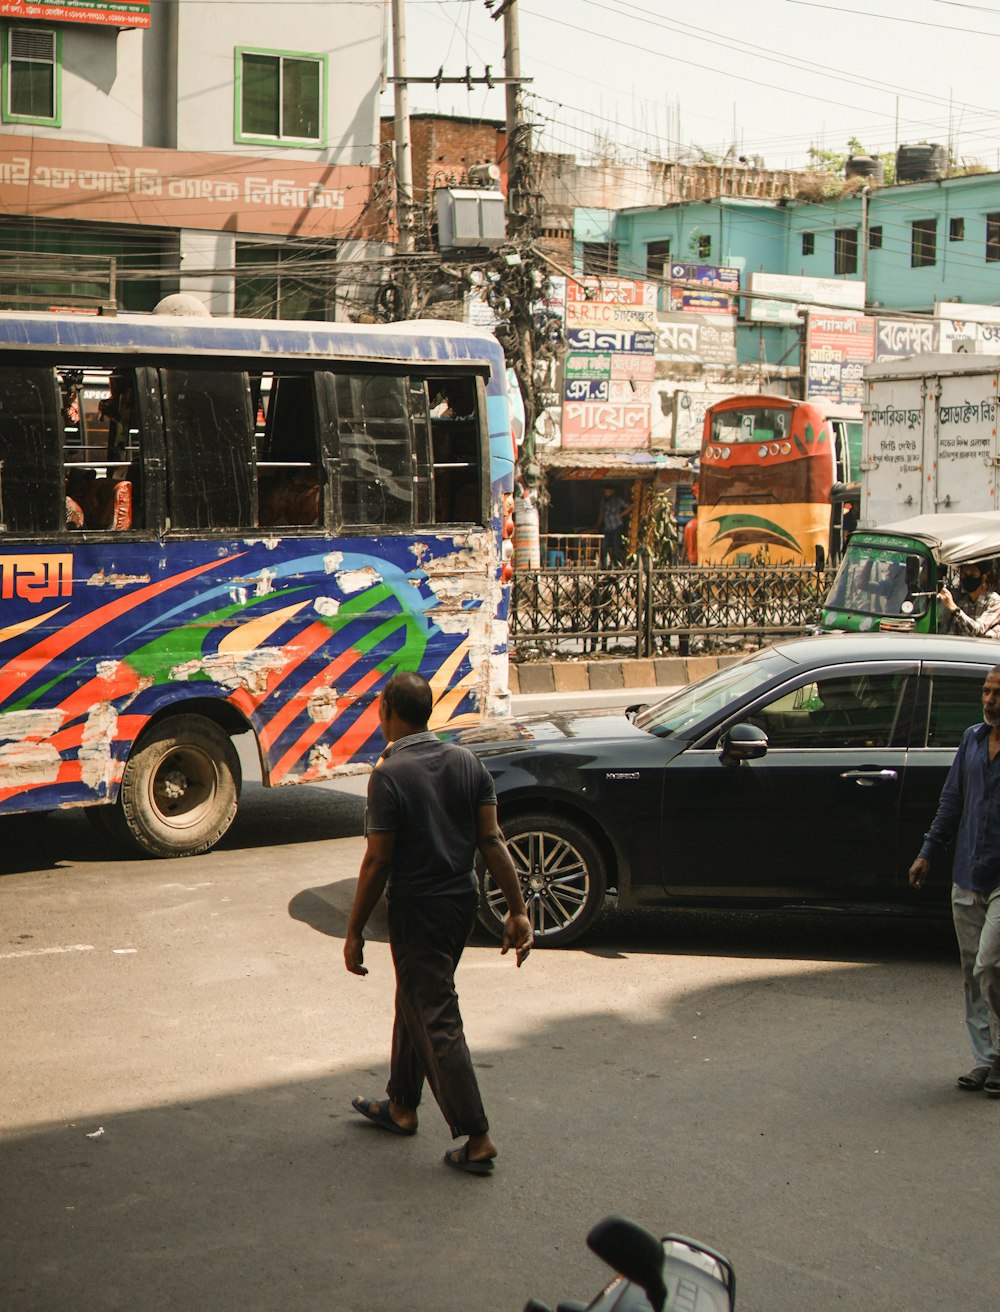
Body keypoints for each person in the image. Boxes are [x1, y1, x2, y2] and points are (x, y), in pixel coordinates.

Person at [344, 671, 533, 1175]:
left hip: (418, 909)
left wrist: (354, 929)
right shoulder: (467, 762)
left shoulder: (389, 774)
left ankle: (477, 1137)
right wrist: (517, 909)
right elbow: (492, 840)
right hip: (460, 905)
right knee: (418, 997)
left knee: (436, 1014)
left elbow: (378, 862)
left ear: (386, 711)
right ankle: (402, 1105)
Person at [908, 664, 1000, 1094]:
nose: (989, 700)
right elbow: (952, 800)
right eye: (985, 691)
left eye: (997, 693)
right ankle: (985, 1059)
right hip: (967, 872)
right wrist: (928, 852)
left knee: (990, 965)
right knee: (971, 970)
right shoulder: (972, 739)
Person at [937, 560, 1000, 637]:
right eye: (964, 574)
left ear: (983, 578)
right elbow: (952, 633)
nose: (967, 577)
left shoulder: (994, 602)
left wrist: (955, 609)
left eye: (973, 574)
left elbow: (978, 630)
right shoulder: (961, 601)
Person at [597, 485, 629, 566]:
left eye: (607, 491)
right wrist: (598, 524)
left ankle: (618, 564)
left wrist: (621, 515)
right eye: (605, 492)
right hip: (607, 527)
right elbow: (602, 513)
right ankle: (604, 565)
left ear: (612, 491)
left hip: (617, 526)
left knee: (616, 545)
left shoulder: (618, 500)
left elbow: (629, 507)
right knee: (604, 546)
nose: (606, 493)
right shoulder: (603, 501)